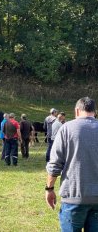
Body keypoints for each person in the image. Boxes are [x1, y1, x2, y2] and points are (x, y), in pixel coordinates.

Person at [46, 97, 98, 231]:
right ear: (94, 111)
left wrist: (49, 189)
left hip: (73, 197)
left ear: (76, 111)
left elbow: (55, 164)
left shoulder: (66, 129)